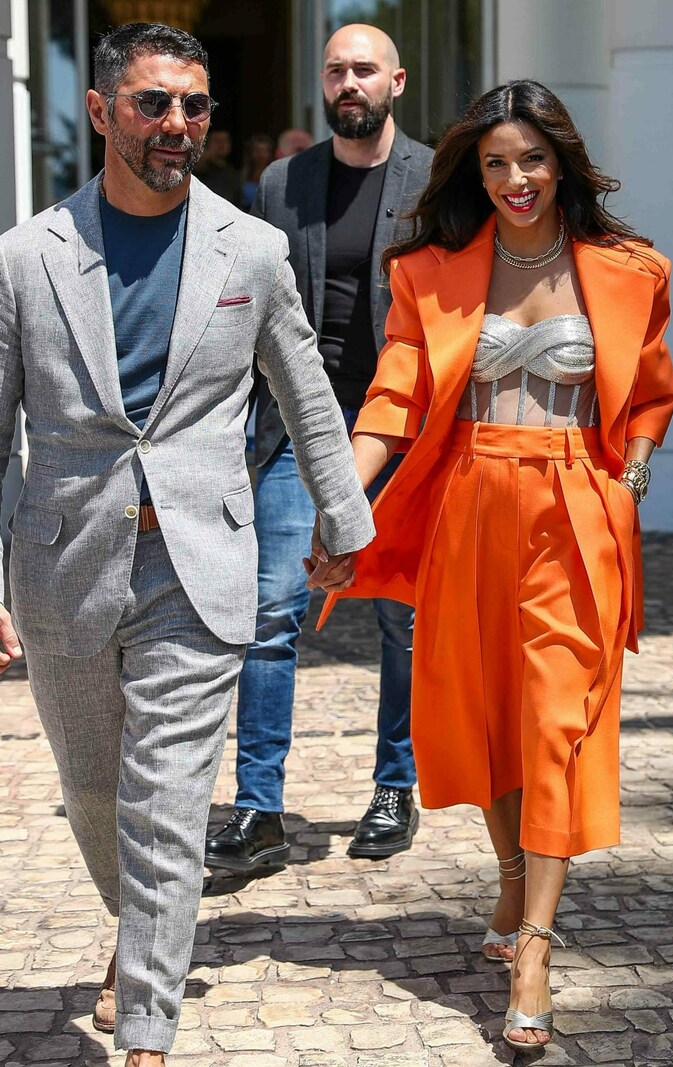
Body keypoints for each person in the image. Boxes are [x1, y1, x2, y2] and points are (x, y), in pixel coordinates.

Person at [0, 21, 373, 1067]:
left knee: (166, 806)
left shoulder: (248, 248)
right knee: (94, 792)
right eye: (156, 103)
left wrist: (345, 522)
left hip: (200, 565)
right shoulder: (27, 258)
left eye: (195, 106)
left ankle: (150, 1032)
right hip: (62, 562)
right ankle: (140, 928)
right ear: (102, 109)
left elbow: (304, 390)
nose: (178, 125)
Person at [313, 79, 673, 1052]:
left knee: (557, 715)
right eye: (494, 163)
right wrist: (344, 496)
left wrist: (631, 472)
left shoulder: (626, 269)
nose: (515, 179)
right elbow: (392, 395)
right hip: (472, 502)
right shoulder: (429, 272)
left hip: (576, 508)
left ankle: (534, 945)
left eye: (531, 159)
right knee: (489, 712)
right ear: (473, 171)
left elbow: (647, 393)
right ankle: (511, 876)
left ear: (561, 160)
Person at [204, 23, 432, 871]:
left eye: (364, 69)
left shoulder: (435, 176)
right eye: (336, 69)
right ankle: (260, 807)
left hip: (402, 428)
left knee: (401, 620)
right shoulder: (281, 181)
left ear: (396, 82)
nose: (349, 82)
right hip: (303, 429)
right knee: (270, 616)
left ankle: (393, 787)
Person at [195, 126, 241, 204]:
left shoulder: (233, 173)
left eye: (225, 141)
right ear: (207, 143)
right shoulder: (199, 169)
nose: (221, 144)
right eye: (217, 141)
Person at [240, 132, 274, 211]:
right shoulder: (241, 176)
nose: (260, 154)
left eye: (264, 151)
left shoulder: (275, 176)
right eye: (257, 150)